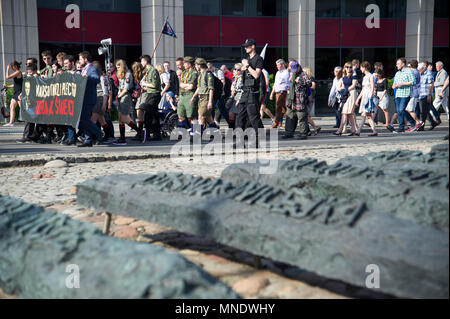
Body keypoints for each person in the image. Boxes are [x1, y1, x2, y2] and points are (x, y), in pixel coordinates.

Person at [236, 38, 264, 144]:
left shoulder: (258, 59)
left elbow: (256, 75)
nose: (245, 48)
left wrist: (247, 66)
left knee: (253, 116)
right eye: (245, 46)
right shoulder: (247, 59)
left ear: (253, 47)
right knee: (240, 116)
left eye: (247, 46)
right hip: (245, 91)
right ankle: (240, 140)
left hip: (253, 92)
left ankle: (259, 138)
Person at [76, 51, 104, 147]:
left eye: (80, 59)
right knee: (85, 119)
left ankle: (98, 133)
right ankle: (88, 140)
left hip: (88, 98)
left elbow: (97, 79)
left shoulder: (91, 68)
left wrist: (88, 77)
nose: (79, 61)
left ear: (85, 59)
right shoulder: (84, 69)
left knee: (84, 118)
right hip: (83, 98)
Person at [112, 59, 142, 146]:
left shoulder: (128, 74)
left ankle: (140, 131)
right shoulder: (121, 75)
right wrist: (117, 97)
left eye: (118, 67)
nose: (117, 69)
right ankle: (122, 138)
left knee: (124, 118)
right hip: (121, 96)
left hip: (126, 97)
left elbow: (126, 89)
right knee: (120, 119)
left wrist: (118, 96)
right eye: (116, 67)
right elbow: (120, 88)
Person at [283, 63, 311, 140]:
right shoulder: (291, 73)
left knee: (301, 117)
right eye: (293, 70)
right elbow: (290, 85)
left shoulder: (303, 74)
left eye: (295, 69)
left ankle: (303, 134)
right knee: (290, 117)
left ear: (298, 67)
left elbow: (309, 83)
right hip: (291, 99)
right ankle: (289, 133)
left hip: (300, 100)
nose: (294, 71)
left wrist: (300, 81)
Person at [139, 55, 162, 142]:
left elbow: (154, 85)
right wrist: (145, 87)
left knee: (148, 114)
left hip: (154, 95)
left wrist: (145, 84)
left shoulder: (153, 71)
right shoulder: (147, 71)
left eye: (142, 61)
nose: (141, 63)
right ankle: (157, 134)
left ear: (146, 61)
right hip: (150, 93)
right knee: (154, 115)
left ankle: (148, 134)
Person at [391, 57, 416, 133]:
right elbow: (394, 83)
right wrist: (394, 85)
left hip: (406, 93)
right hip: (398, 94)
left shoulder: (409, 71)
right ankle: (410, 123)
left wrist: (402, 84)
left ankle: (403, 126)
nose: (396, 65)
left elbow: (413, 82)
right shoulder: (397, 73)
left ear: (403, 64)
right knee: (400, 111)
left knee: (401, 110)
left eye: (398, 63)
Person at [91, 61, 113, 144]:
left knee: (93, 120)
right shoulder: (95, 77)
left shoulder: (102, 77)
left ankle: (96, 137)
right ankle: (108, 135)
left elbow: (105, 92)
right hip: (95, 99)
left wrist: (104, 104)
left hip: (100, 99)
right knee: (102, 120)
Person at [16, 63, 39, 143]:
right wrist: (21, 94)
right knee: (28, 118)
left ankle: (28, 135)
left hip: (34, 100)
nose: (30, 74)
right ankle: (29, 135)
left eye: (31, 72)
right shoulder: (28, 78)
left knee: (29, 118)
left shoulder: (37, 78)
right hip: (28, 100)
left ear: (35, 71)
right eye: (28, 72)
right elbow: (26, 88)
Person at [192, 58, 217, 130]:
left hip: (206, 97)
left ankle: (198, 135)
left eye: (196, 65)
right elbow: (199, 87)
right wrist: (193, 97)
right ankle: (215, 132)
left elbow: (211, 88)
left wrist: (210, 102)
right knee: (209, 118)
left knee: (201, 116)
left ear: (199, 65)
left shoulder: (208, 74)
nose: (195, 67)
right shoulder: (200, 75)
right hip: (201, 98)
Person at [334, 62, 358, 136]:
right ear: (345, 68)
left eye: (350, 67)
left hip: (351, 94)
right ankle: (353, 130)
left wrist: (346, 90)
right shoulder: (344, 76)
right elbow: (339, 86)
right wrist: (342, 90)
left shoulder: (354, 75)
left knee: (345, 112)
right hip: (346, 94)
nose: (349, 68)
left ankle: (340, 130)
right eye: (347, 67)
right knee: (349, 113)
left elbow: (353, 85)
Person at [355, 61, 378, 136]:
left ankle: (358, 131)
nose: (361, 69)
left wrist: (371, 95)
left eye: (361, 67)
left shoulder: (370, 76)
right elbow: (363, 89)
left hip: (368, 96)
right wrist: (358, 98)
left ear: (364, 67)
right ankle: (374, 131)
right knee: (367, 115)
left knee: (364, 114)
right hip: (365, 96)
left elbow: (372, 86)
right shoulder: (364, 77)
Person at [176, 56, 198, 134]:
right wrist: (186, 86)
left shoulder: (194, 73)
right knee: (180, 115)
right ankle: (189, 129)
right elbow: (180, 85)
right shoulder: (184, 72)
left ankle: (195, 133)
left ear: (189, 64)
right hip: (182, 96)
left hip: (190, 95)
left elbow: (192, 86)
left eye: (185, 63)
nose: (183, 64)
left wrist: (184, 85)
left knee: (191, 116)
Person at [418, 62, 439, 131]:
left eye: (420, 69)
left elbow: (431, 84)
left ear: (423, 68)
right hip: (420, 95)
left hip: (426, 94)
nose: (419, 71)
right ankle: (433, 122)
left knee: (423, 111)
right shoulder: (420, 74)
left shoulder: (428, 73)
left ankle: (422, 126)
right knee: (425, 110)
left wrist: (429, 95)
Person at [270, 59, 290, 128]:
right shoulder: (278, 73)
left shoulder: (286, 73)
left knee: (278, 108)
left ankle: (276, 123)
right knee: (283, 109)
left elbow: (288, 84)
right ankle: (290, 121)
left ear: (282, 65)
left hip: (282, 92)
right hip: (277, 93)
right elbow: (275, 84)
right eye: (277, 65)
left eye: (278, 65)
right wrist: (272, 93)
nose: (277, 66)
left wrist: (288, 94)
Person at [3, 61, 23, 126]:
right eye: (11, 67)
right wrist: (7, 86)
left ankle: (30, 121)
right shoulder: (16, 73)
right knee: (12, 106)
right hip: (16, 92)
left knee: (22, 108)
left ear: (15, 66)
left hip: (20, 92)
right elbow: (15, 85)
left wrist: (7, 69)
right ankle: (11, 122)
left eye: (12, 67)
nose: (11, 68)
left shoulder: (18, 72)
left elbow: (7, 77)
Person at [405, 60, 423, 130]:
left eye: (409, 66)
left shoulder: (414, 73)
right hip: (413, 93)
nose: (408, 68)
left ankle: (418, 122)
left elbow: (410, 82)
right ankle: (415, 123)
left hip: (414, 93)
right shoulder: (416, 72)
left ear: (411, 66)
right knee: (408, 109)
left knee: (410, 109)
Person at [303, 67, 321, 134]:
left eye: (303, 71)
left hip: (310, 99)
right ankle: (309, 130)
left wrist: (305, 85)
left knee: (305, 115)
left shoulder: (311, 78)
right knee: (305, 115)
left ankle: (315, 127)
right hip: (307, 98)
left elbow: (313, 86)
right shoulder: (306, 78)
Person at [229, 63, 244, 129]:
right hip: (234, 97)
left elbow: (243, 90)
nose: (236, 71)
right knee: (231, 115)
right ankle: (232, 131)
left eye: (238, 69)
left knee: (238, 116)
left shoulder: (242, 78)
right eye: (235, 69)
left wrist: (239, 100)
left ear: (241, 70)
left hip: (239, 97)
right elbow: (233, 88)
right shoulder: (234, 78)